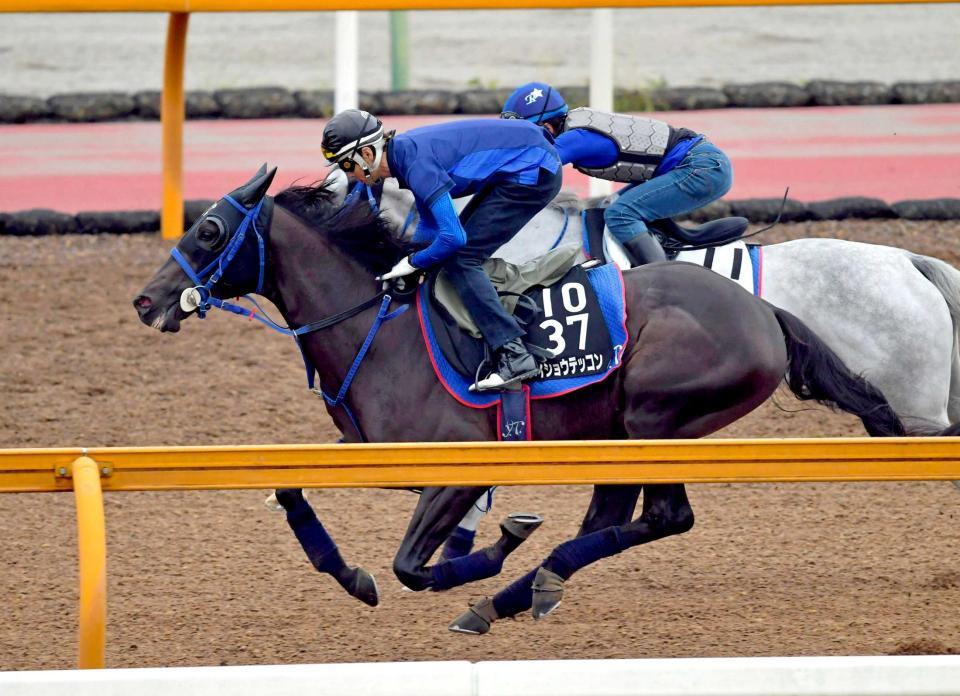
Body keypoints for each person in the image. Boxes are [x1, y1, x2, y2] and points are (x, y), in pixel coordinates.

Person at [321, 109, 562, 391]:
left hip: (534, 170)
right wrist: (406, 261)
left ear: (368, 155)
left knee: (461, 259)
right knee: (445, 257)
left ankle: (514, 354)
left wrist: (414, 261)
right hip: (524, 161)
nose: (348, 174)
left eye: (347, 166)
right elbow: (429, 225)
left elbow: (452, 237)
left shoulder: (416, 165)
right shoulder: (405, 158)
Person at [501, 82, 733, 266]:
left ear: (547, 128)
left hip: (701, 168)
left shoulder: (576, 138)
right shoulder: (575, 128)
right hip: (697, 164)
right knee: (609, 204)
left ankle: (663, 279)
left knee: (621, 214)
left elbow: (532, 167)